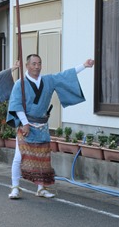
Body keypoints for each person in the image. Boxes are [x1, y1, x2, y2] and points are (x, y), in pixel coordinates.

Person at [7, 54, 94, 199]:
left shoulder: (48, 80)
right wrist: (25, 123)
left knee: (43, 158)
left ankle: (41, 188)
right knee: (19, 157)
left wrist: (84, 65)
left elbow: (65, 76)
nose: (37, 66)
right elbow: (16, 105)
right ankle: (15, 187)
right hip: (26, 125)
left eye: (39, 63)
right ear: (27, 65)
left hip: (42, 126)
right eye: (34, 64)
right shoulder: (20, 84)